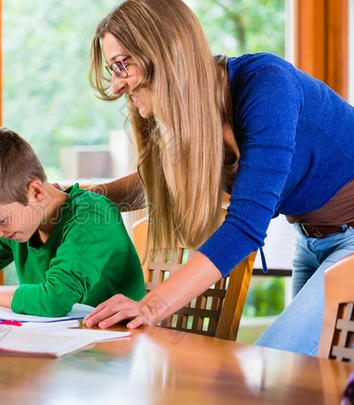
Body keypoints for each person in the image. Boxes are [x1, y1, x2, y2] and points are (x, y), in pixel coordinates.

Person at [82, 0, 354, 356]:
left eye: (122, 65)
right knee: (309, 382)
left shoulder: (267, 86)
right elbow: (154, 182)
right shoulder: (195, 115)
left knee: (282, 369)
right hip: (313, 241)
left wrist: (150, 306)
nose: (116, 86)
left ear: (164, 53)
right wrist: (74, 198)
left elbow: (245, 228)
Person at [0, 127, 146, 317]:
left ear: (36, 192)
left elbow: (55, 298)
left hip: (115, 352)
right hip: (57, 354)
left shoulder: (92, 216)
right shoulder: (20, 224)